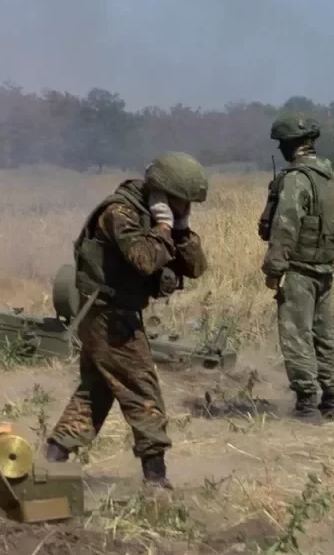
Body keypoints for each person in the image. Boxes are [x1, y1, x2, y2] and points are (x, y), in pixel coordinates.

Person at [44, 152, 209, 490]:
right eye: (182, 201)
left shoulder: (153, 215)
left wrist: (180, 229)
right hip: (108, 314)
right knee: (142, 390)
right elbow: (145, 259)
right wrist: (164, 227)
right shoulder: (119, 213)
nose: (185, 207)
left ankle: (52, 458)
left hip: (117, 312)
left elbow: (195, 268)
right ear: (162, 193)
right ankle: (155, 478)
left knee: (97, 390)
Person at [261, 113, 334, 421]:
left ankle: (307, 404)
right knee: (324, 335)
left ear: (291, 144)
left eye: (282, 143)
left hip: (299, 270)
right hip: (324, 267)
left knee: (296, 335)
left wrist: (274, 269)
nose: (280, 148)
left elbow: (285, 226)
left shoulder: (297, 178)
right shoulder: (326, 175)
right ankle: (333, 401)